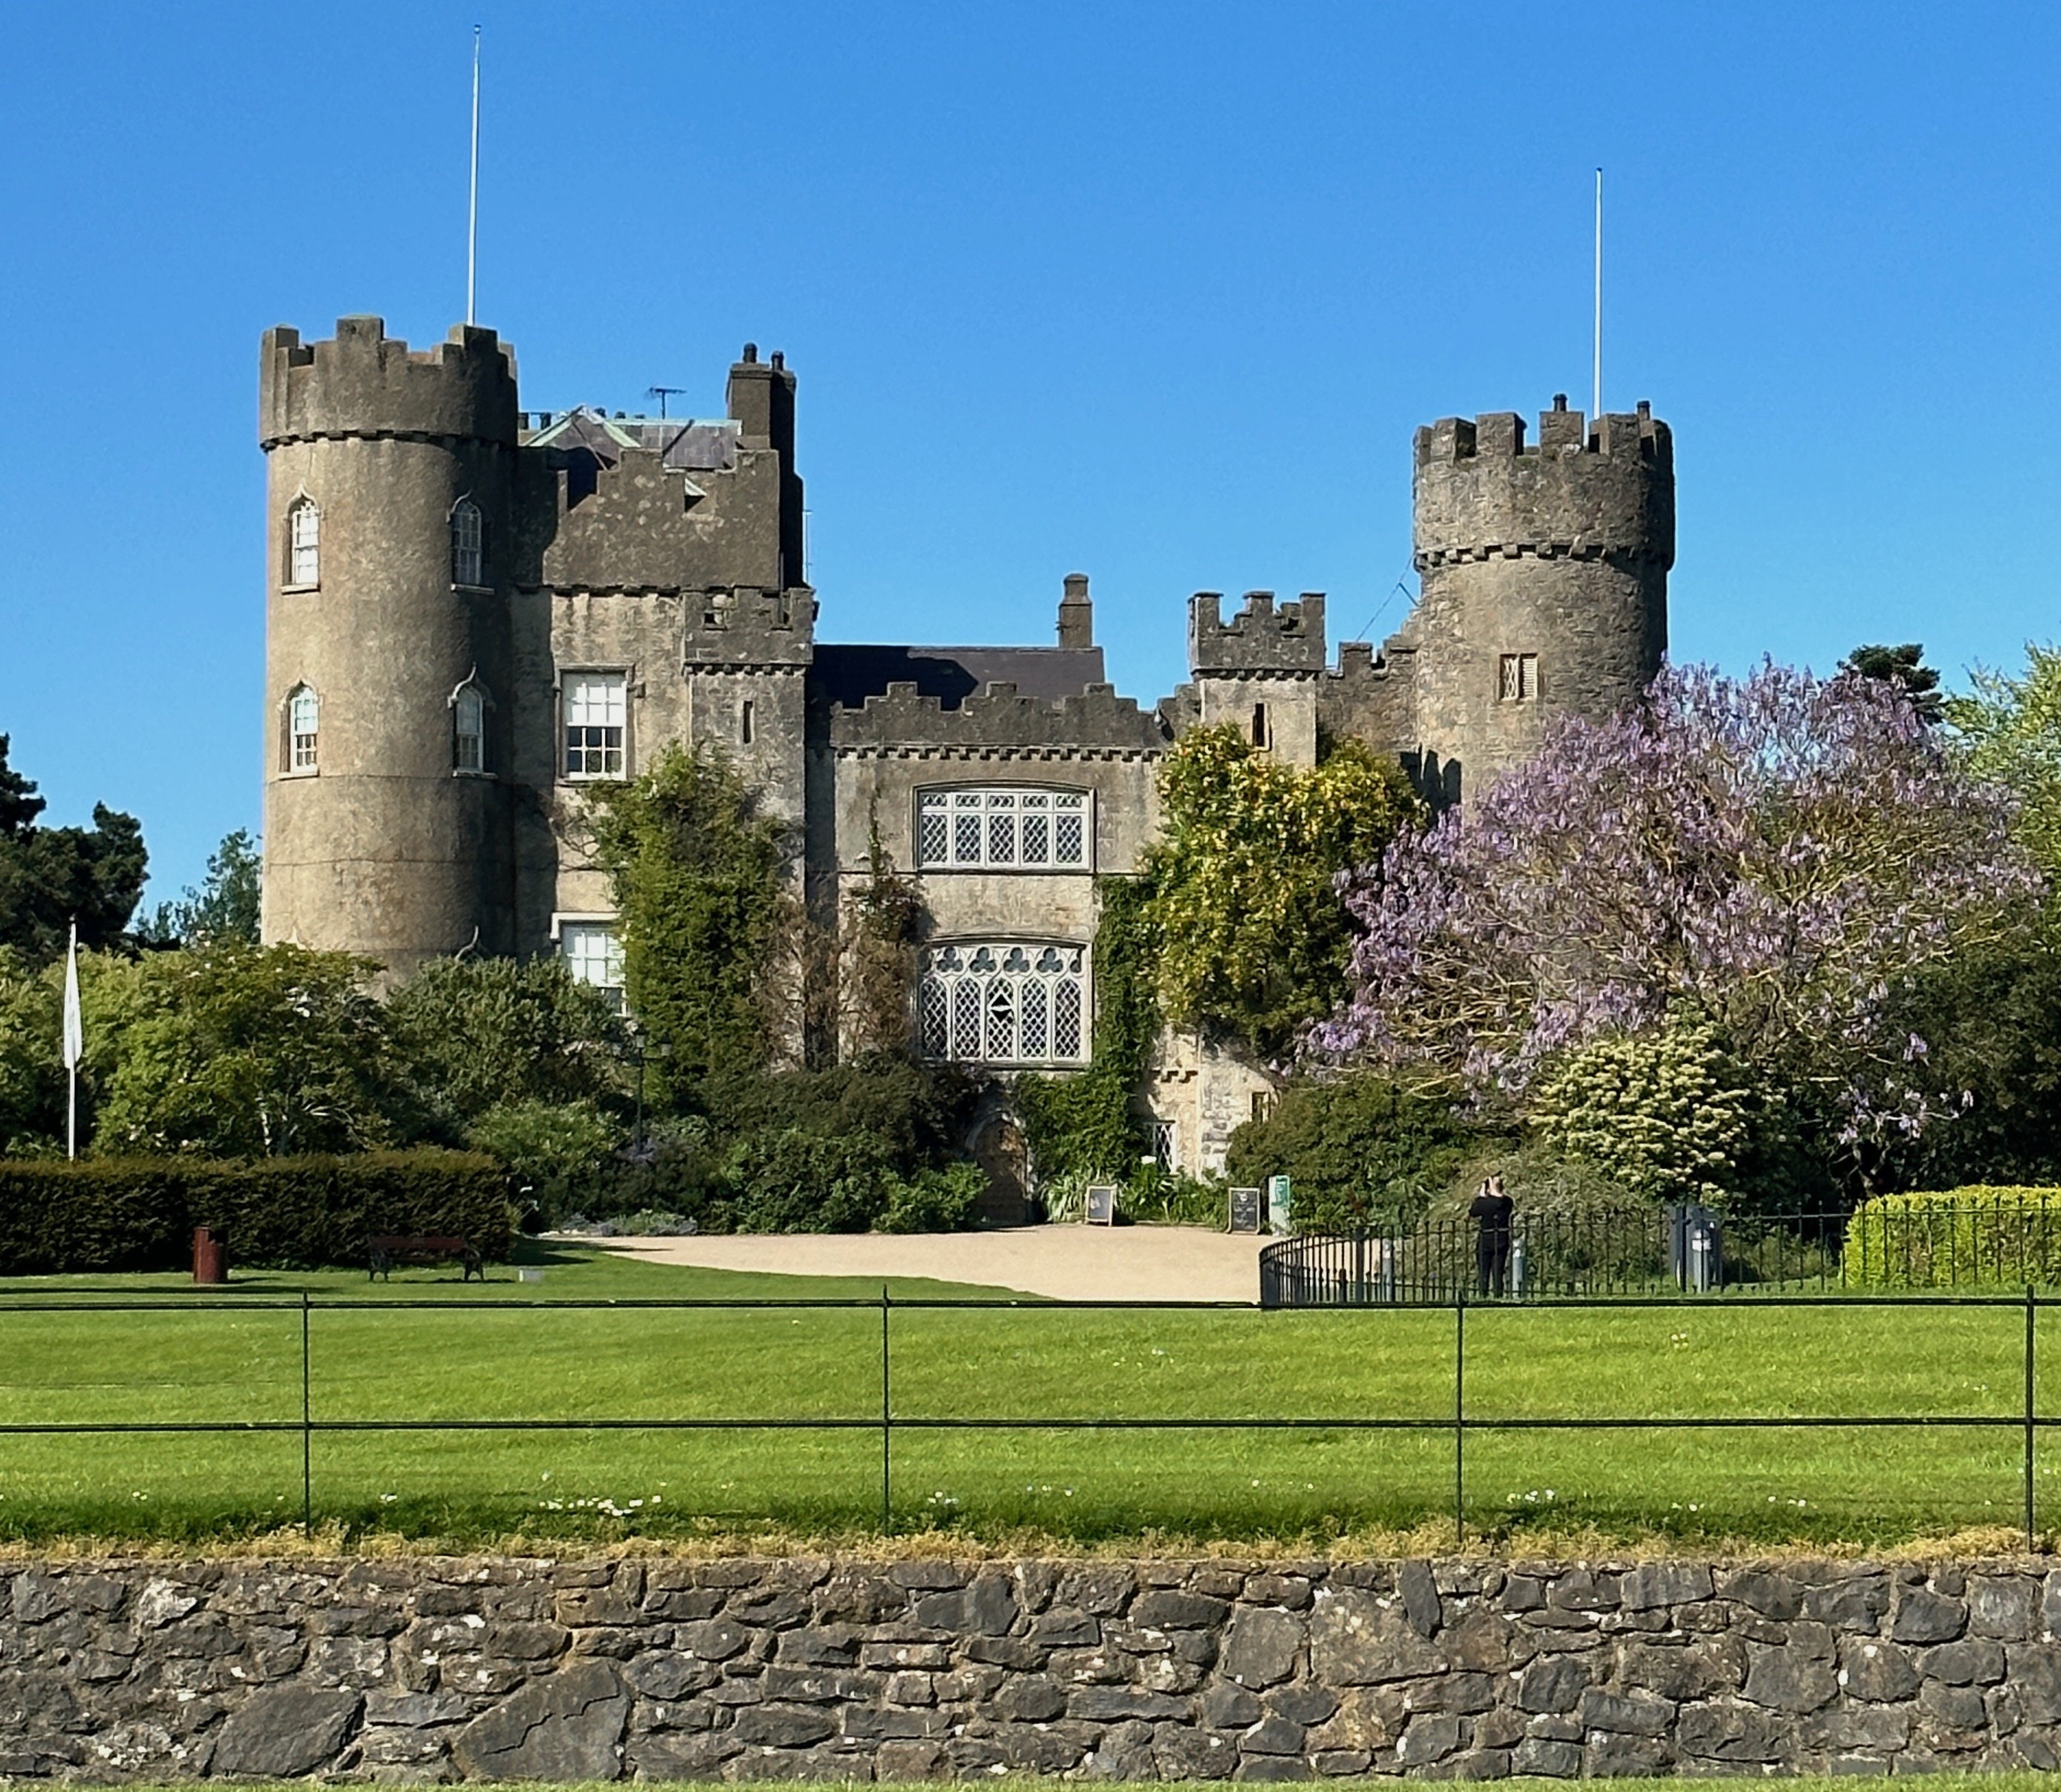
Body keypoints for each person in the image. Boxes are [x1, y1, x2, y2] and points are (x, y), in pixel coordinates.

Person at [1470, 1172, 1514, 1297]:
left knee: (1484, 1271)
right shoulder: (1508, 1202)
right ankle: (1498, 1294)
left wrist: (1481, 1196)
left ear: (1490, 1187)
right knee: (1498, 1271)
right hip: (1501, 1239)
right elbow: (1499, 1200)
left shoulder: (1484, 1203)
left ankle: (1483, 1294)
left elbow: (1474, 1212)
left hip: (1486, 1238)